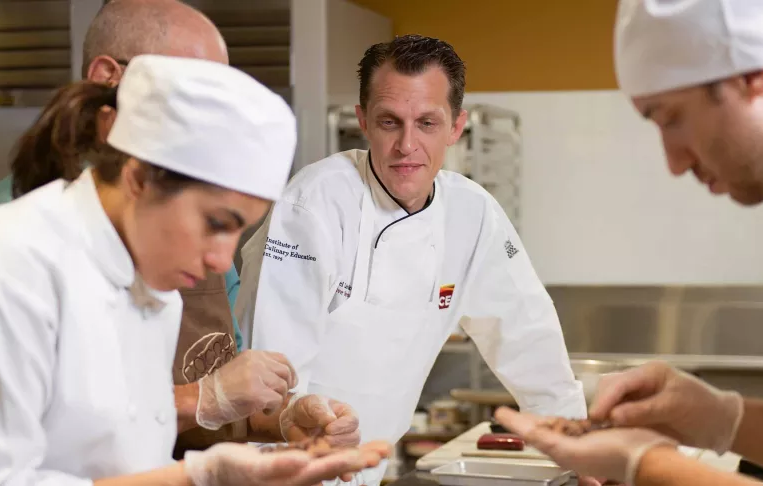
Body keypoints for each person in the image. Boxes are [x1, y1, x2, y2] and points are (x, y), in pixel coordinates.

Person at [494, 1, 763, 485]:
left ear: (751, 73)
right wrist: (722, 418)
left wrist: (646, 464)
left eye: (671, 118)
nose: (674, 162)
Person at [0, 54, 390, 486]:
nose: (221, 260)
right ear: (138, 177)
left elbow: (122, 444)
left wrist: (274, 426)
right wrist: (197, 476)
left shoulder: (154, 288)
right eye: (215, 224)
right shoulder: (1, 269)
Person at [235, 34, 586, 484]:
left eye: (426, 123)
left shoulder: (472, 214)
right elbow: (270, 374)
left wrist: (576, 442)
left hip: (367, 464)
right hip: (278, 468)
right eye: (389, 122)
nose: (406, 145)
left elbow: (527, 336)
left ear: (456, 127)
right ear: (363, 121)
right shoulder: (314, 205)